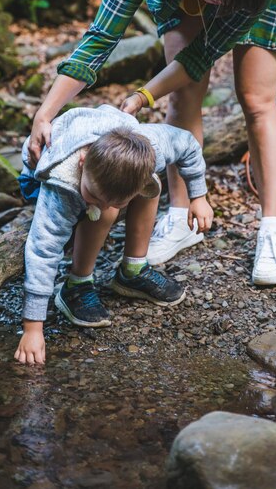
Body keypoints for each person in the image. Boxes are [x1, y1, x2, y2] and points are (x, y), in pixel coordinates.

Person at [27, 0, 276, 288]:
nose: (221, 4)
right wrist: (46, 112)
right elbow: (101, 38)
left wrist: (142, 96)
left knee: (256, 99)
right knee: (184, 93)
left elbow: (201, 55)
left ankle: (271, 228)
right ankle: (180, 218)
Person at [14, 105, 213, 365]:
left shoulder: (152, 145)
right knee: (102, 213)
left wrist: (198, 196)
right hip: (41, 169)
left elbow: (187, 143)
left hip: (105, 147)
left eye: (116, 202)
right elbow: (43, 250)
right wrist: (33, 328)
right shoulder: (61, 184)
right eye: (95, 195)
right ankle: (76, 284)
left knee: (151, 186)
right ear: (84, 163)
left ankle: (133, 270)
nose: (105, 204)